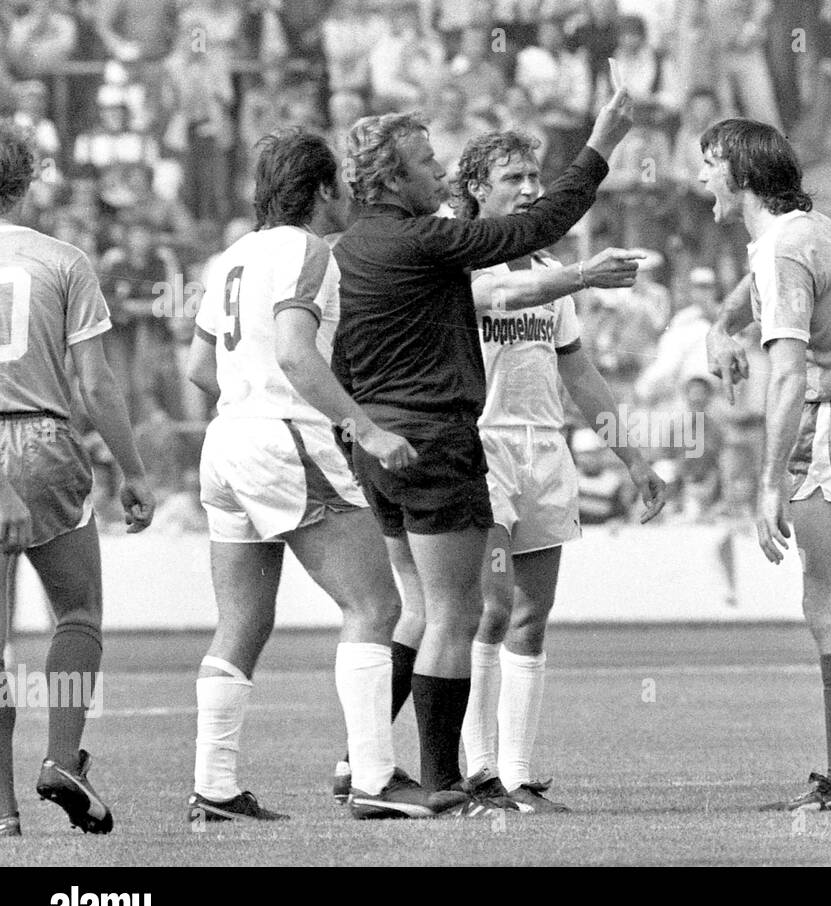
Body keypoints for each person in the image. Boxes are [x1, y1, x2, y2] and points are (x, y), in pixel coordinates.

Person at [329, 76, 634, 809]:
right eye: (427, 165)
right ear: (392, 177)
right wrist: (599, 150)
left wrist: (359, 427)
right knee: (457, 614)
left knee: (417, 611)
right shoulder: (432, 242)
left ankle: (368, 766)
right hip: (441, 441)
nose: (437, 175)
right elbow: (524, 243)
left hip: (381, 444)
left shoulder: (351, 248)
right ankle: (445, 779)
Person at [184, 129, 468, 823]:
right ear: (319, 190)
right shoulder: (309, 250)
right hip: (283, 438)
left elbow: (197, 369)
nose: (347, 193)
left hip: (225, 442)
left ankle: (213, 787)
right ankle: (373, 778)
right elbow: (293, 351)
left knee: (242, 622)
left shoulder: (231, 257)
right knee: (377, 606)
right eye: (338, 182)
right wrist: (365, 426)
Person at [454, 129, 666, 812]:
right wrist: (580, 273)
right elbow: (502, 302)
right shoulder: (459, 264)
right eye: (511, 176)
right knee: (490, 606)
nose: (528, 188)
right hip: (480, 447)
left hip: (545, 448)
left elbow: (579, 371)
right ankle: (479, 769)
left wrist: (633, 456)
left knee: (533, 613)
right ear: (476, 189)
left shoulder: (549, 270)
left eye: (533, 176)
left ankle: (517, 775)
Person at [704, 118, 831, 811]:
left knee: (826, 605)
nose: (701, 176)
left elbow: (788, 376)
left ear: (738, 174)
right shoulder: (809, 228)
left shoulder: (780, 251)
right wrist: (723, 322)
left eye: (709, 164)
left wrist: (767, 484)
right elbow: (764, 277)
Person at [0, 120, 155, 837]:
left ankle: (1, 814)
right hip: (42, 442)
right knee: (78, 613)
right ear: (28, 178)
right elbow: (96, 385)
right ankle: (62, 757)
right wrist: (133, 471)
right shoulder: (62, 260)